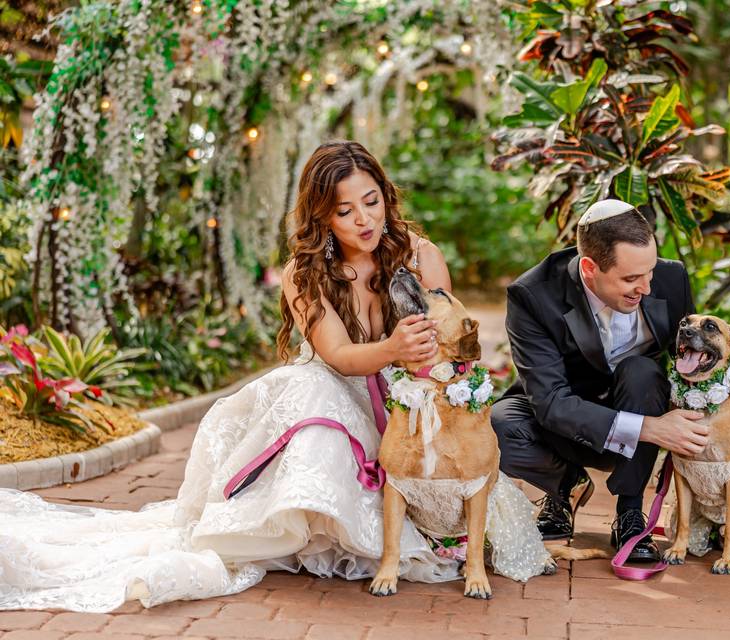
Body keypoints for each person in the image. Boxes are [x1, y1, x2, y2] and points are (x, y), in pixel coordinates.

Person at [0, 141, 467, 611]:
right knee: (314, 387)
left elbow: (449, 341)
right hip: (330, 397)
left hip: (402, 396)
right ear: (322, 216)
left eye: (372, 202)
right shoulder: (304, 274)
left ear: (386, 194)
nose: (364, 220)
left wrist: (417, 368)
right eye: (345, 211)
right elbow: (339, 356)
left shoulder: (419, 256)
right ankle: (312, 523)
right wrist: (391, 348)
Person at [491, 198, 709, 563]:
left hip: (637, 398)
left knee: (642, 372)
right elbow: (551, 402)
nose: (647, 287)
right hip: (564, 421)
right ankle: (566, 486)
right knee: (497, 428)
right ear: (590, 268)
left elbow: (694, 351)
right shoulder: (532, 295)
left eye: (650, 272)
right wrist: (650, 429)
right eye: (630, 279)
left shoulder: (671, 278)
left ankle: (629, 512)